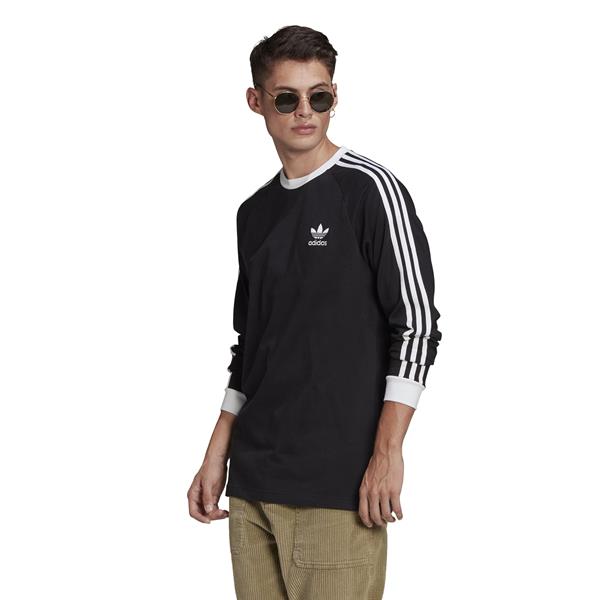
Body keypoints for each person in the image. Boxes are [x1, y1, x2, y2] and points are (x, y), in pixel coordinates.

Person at [188, 25, 442, 600]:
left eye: (319, 96)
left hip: (337, 486)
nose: (305, 111)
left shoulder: (370, 191)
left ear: (334, 97)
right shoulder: (254, 213)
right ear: (256, 101)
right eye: (287, 98)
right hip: (252, 486)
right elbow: (251, 346)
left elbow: (417, 326)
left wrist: (387, 454)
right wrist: (216, 452)